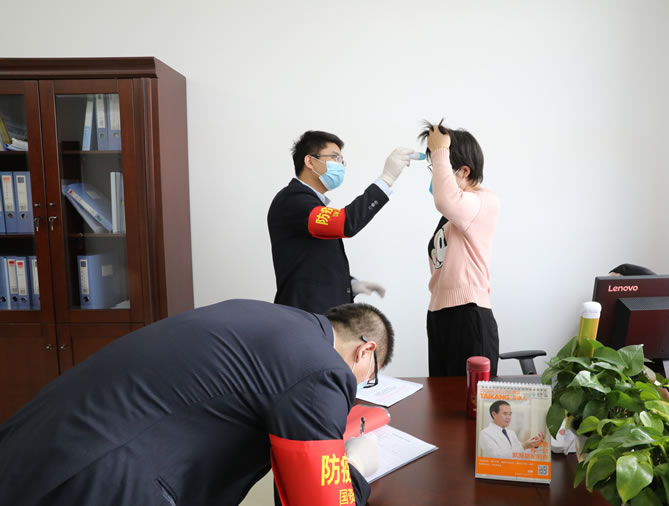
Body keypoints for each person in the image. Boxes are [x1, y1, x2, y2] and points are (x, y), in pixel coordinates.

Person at [0, 299, 394, 506]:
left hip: (36, 444)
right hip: (102, 483)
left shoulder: (262, 315)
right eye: (368, 377)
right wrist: (356, 468)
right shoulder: (322, 369)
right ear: (366, 351)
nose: (357, 386)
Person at [268, 130, 417, 314]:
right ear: (310, 161)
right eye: (335, 158)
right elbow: (345, 223)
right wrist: (387, 179)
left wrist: (349, 284)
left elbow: (314, 260)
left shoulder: (311, 204)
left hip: (320, 315)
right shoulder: (293, 200)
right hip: (305, 316)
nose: (340, 165)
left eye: (341, 160)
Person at [419, 121, 501, 376]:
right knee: (441, 398)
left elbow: (445, 199)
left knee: (469, 399)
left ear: (464, 171)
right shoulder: (452, 217)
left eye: (439, 166)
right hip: (440, 315)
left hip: (469, 315)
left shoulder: (482, 201)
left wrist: (440, 150)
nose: (436, 175)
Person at [479, 400, 545, 459]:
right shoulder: (485, 434)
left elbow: (521, 454)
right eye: (505, 414)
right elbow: (496, 457)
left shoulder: (511, 433)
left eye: (510, 414)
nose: (509, 417)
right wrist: (524, 446)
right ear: (494, 414)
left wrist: (535, 445)